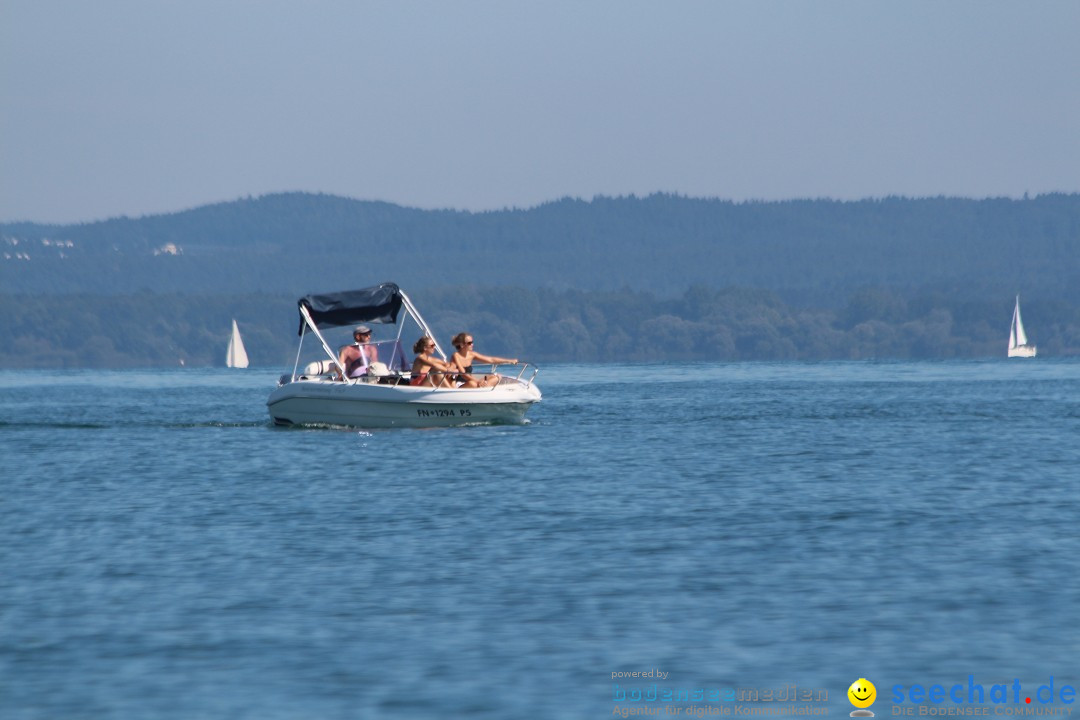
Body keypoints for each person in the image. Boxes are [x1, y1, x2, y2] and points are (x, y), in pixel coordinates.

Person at [450, 332, 518, 388]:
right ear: (462, 345)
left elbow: (490, 360)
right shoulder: (456, 356)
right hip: (461, 384)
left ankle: (484, 387)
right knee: (472, 384)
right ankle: (483, 387)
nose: (472, 345)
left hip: (472, 382)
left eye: (472, 342)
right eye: (469, 343)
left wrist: (509, 361)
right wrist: (477, 381)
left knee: (497, 376)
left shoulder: (472, 354)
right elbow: (463, 374)